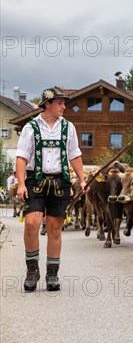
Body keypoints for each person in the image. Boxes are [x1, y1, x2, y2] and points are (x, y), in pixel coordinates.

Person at [15, 87, 87, 292]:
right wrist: (21, 184)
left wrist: (81, 180)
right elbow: (21, 157)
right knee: (32, 222)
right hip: (34, 181)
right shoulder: (31, 127)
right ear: (48, 104)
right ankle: (32, 270)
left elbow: (74, 155)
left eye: (64, 103)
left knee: (55, 228)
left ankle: (52, 275)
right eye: (60, 103)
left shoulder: (68, 127)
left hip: (60, 181)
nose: (64, 106)